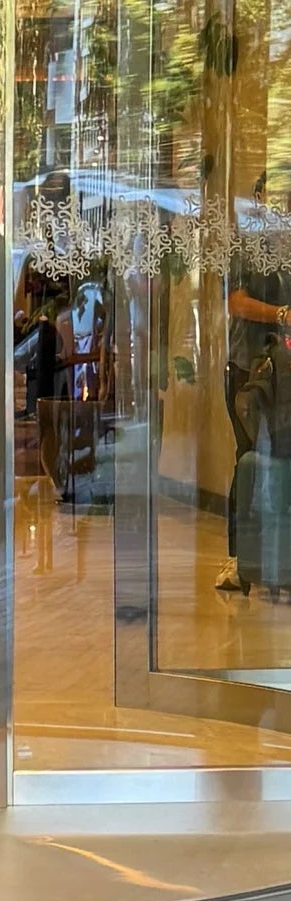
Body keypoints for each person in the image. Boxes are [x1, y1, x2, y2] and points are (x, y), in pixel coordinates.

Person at [215, 169, 291, 591]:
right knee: (249, 458)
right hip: (249, 370)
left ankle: (273, 557)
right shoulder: (246, 244)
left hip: (285, 368)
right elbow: (235, 302)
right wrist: (280, 315)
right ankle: (237, 559)